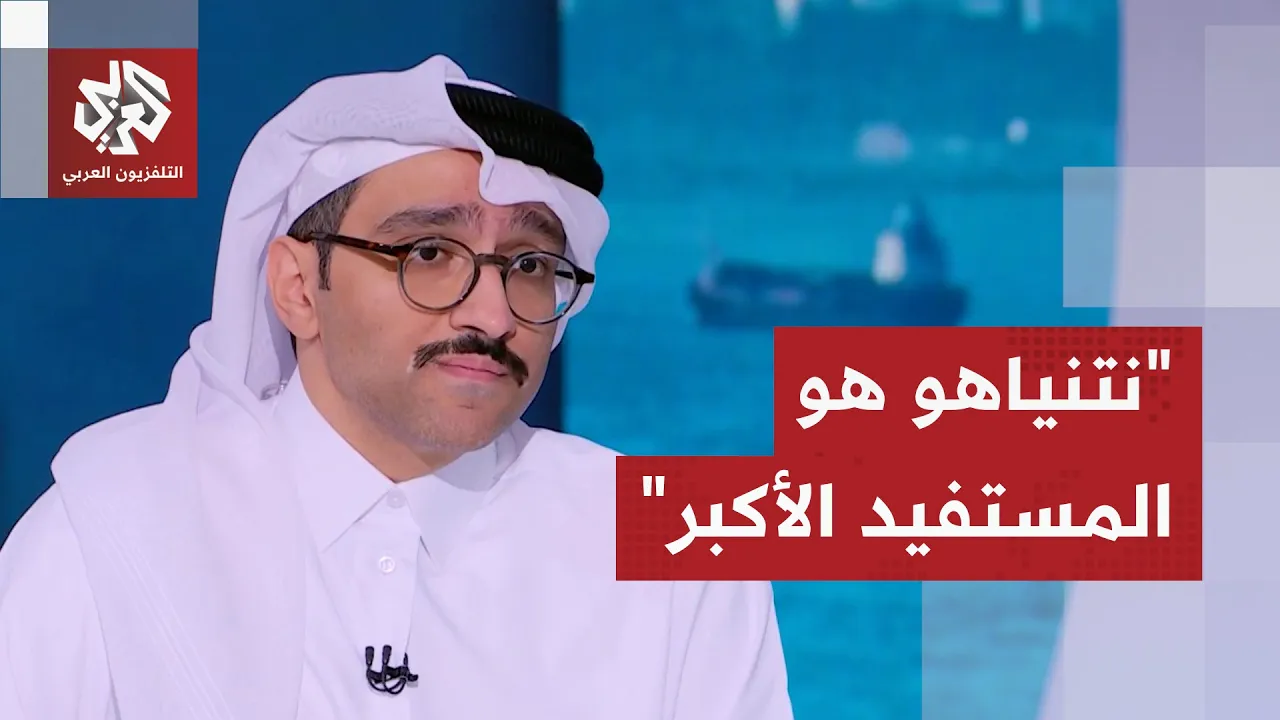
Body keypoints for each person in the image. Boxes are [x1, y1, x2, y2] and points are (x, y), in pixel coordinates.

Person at [0, 56, 793, 719]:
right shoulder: (113, 527)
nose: (492, 314)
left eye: (529, 265)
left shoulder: (679, 554)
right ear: (298, 288)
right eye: (429, 253)